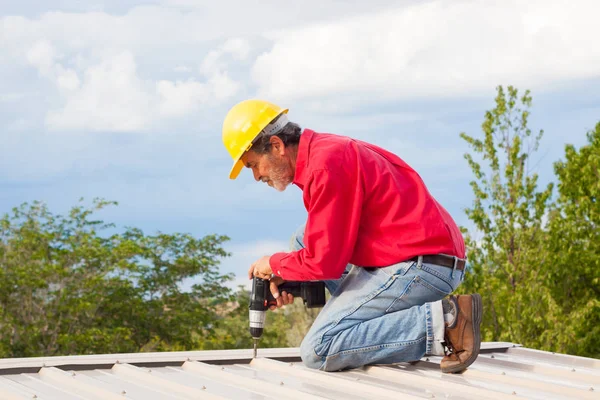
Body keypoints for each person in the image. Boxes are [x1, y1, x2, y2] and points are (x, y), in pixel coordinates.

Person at [222, 99, 483, 373]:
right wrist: (291, 277)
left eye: (253, 165)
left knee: (319, 349)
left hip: (422, 267)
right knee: (303, 239)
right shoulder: (323, 152)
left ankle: (447, 322)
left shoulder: (325, 167)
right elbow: (323, 250)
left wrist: (274, 264)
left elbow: (325, 263)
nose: (255, 176)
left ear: (276, 146)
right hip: (410, 255)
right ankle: (372, 323)